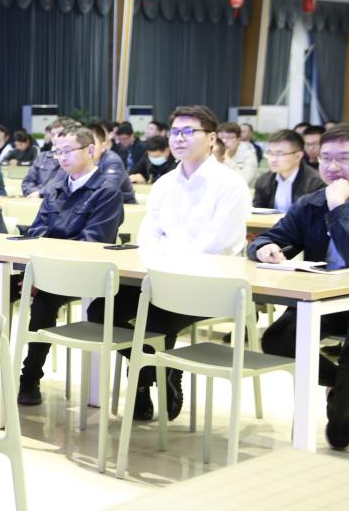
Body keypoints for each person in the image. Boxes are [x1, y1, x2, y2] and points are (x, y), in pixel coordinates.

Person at [88, 106, 251, 422]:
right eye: (175, 132)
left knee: (152, 322)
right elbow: (148, 236)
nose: (179, 138)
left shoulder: (229, 184)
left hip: (209, 284)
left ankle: (141, 382)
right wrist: (163, 258)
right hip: (160, 278)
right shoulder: (165, 183)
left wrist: (169, 255)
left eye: (189, 132)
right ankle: (159, 371)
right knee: (100, 311)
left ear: (211, 138)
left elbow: (217, 244)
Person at [251, 123, 349, 449]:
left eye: (345, 158)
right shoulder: (312, 203)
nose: (333, 166)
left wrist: (339, 208)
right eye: (326, 158)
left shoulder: (331, 201)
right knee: (277, 339)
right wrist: (265, 248)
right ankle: (344, 391)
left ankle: (340, 411)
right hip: (323, 297)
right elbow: (271, 237)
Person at [14, 126, 125, 405]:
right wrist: (37, 270)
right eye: (57, 152)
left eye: (68, 151)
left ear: (90, 150)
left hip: (84, 273)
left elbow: (92, 242)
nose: (61, 157)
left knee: (44, 301)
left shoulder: (107, 191)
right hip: (47, 268)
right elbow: (37, 231)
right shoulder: (56, 187)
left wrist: (44, 271)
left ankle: (30, 378)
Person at [252, 129, 325, 212]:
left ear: (298, 156)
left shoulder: (316, 183)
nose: (273, 159)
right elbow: (257, 212)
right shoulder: (263, 180)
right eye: (270, 153)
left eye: (280, 154)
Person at [20, 119, 72, 198]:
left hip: (57, 202)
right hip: (34, 199)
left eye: (59, 134)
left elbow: (63, 185)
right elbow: (27, 182)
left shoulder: (73, 158)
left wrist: (40, 193)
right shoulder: (42, 157)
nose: (55, 138)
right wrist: (34, 193)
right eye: (53, 134)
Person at [89, 123, 137, 206]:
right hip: (96, 205)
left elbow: (109, 189)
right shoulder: (80, 160)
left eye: (93, 145)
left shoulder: (112, 160)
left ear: (103, 145)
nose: (89, 149)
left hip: (124, 206)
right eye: (84, 145)